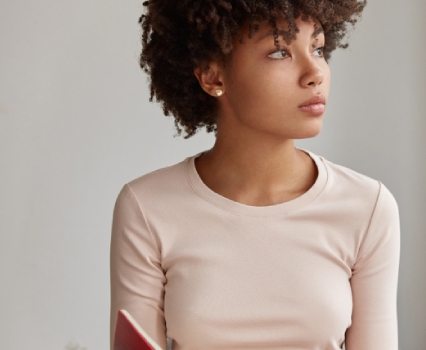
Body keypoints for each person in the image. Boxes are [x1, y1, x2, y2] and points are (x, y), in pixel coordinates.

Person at [109, 1, 400, 349]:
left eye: (318, 48)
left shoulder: (367, 208)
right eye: (279, 53)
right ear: (213, 76)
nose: (315, 73)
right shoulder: (146, 207)